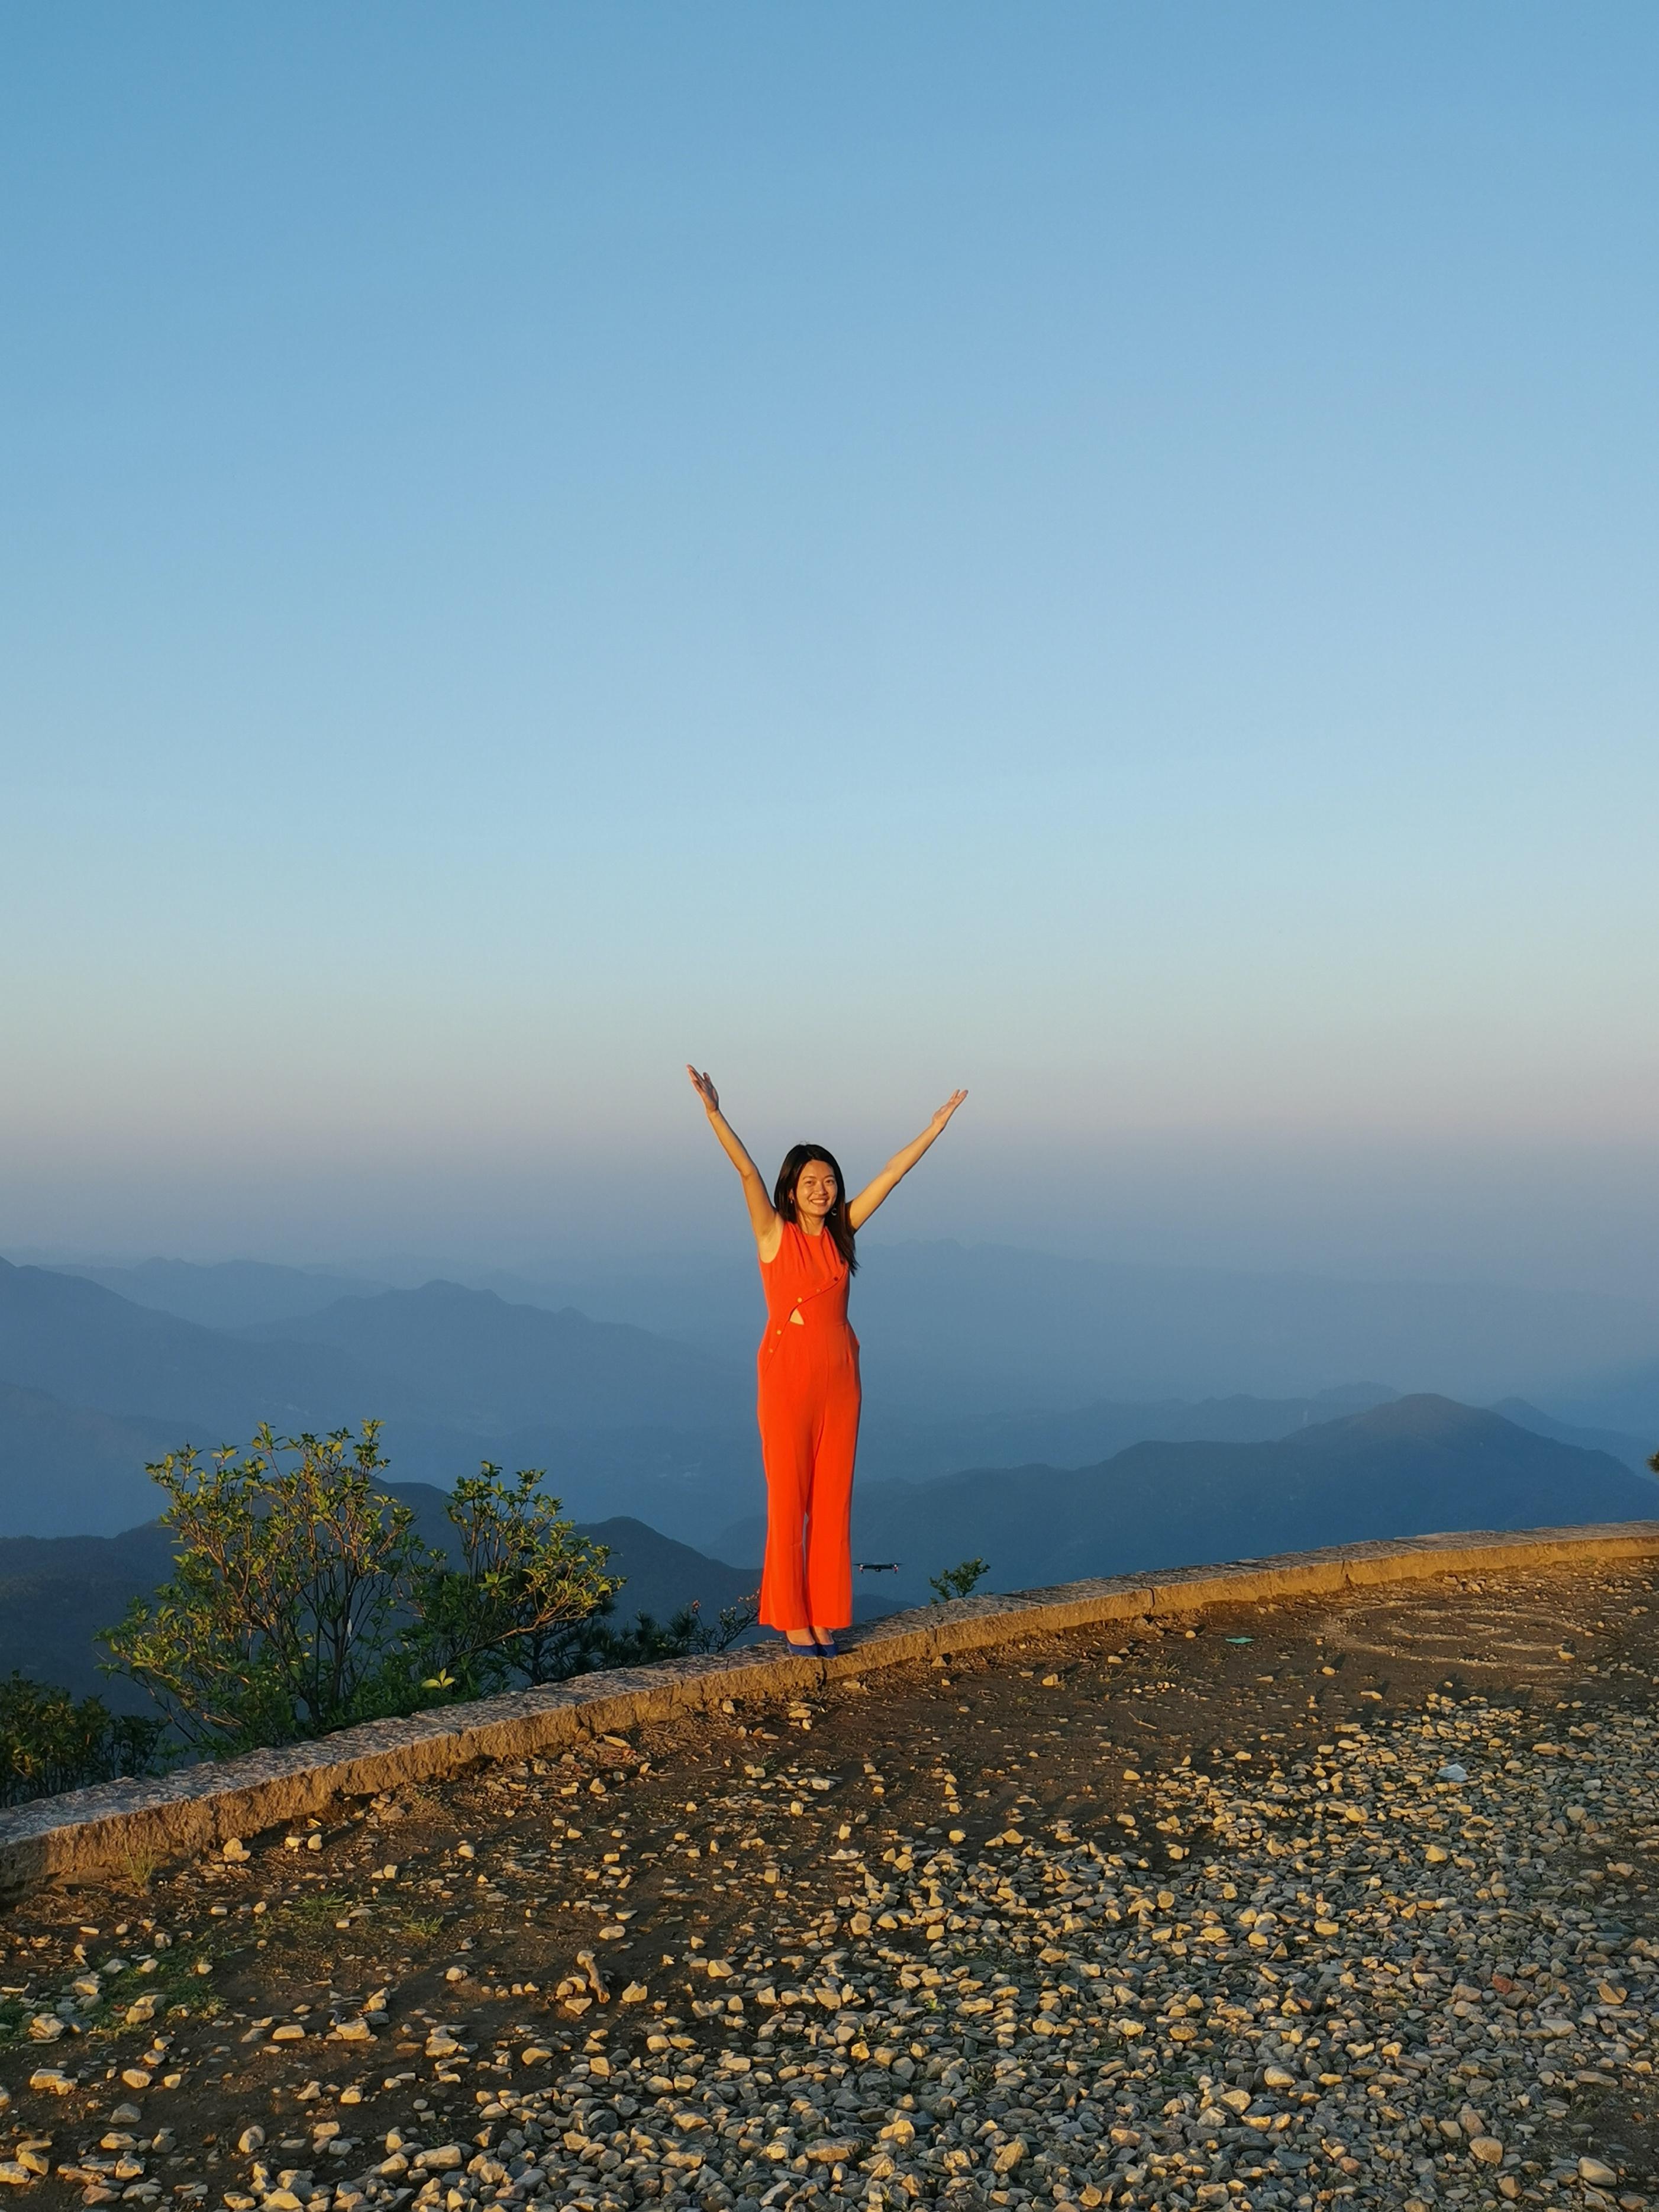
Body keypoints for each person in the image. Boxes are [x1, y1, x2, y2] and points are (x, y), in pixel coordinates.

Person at [686, 1069, 968, 1656]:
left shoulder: (841, 1234)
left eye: (830, 1179)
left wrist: (933, 1127)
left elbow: (892, 1174)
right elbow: (746, 1171)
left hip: (841, 1379)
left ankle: (823, 1614)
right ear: (791, 1190)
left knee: (832, 1498)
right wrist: (715, 1113)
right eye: (811, 1181)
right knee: (789, 1496)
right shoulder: (773, 1234)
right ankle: (792, 1615)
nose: (823, 1188)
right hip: (787, 1378)